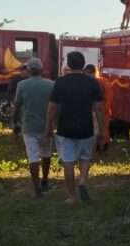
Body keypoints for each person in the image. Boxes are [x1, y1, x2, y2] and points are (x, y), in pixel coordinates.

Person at [46, 51, 104, 204]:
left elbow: (52, 106)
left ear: (69, 65)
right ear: (83, 64)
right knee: (85, 157)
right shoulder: (93, 83)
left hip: (66, 128)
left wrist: (49, 127)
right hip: (86, 128)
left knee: (68, 162)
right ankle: (83, 179)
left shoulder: (61, 82)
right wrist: (102, 130)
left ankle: (71, 196)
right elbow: (98, 108)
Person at [12, 58, 54, 198]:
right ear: (41, 70)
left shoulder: (22, 85)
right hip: (46, 126)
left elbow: (17, 106)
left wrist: (14, 124)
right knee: (46, 154)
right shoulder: (50, 84)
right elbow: (55, 107)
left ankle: (36, 188)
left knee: (33, 156)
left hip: (29, 126)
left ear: (28, 70)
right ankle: (45, 181)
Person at [84, 64, 112, 152]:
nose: (89, 75)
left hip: (102, 109)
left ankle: (103, 146)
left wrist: (106, 107)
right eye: (87, 73)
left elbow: (109, 95)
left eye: (91, 73)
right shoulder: (86, 81)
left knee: (103, 128)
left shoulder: (103, 81)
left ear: (96, 72)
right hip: (90, 110)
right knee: (92, 129)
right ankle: (94, 147)